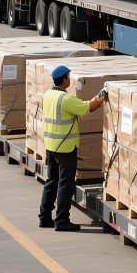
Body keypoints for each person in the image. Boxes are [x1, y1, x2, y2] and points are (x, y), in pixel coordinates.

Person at [39, 65, 107, 231]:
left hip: (51, 146)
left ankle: (45, 217)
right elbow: (88, 108)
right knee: (65, 184)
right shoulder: (66, 99)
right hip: (66, 148)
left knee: (51, 182)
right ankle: (62, 220)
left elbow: (81, 105)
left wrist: (96, 97)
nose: (70, 79)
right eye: (69, 77)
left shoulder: (48, 95)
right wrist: (102, 97)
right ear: (64, 80)